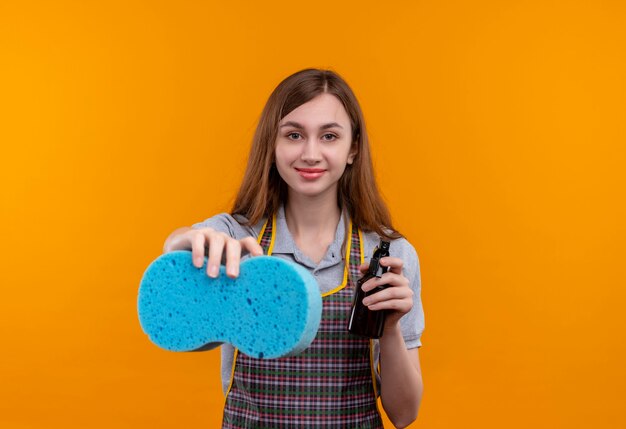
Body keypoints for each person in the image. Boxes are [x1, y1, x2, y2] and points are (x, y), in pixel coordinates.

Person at [162, 68, 425, 429]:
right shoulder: (236, 236)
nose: (310, 153)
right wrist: (186, 243)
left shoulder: (389, 255)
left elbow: (404, 414)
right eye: (294, 135)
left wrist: (391, 327)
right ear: (273, 144)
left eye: (329, 136)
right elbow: (175, 253)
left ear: (353, 149)